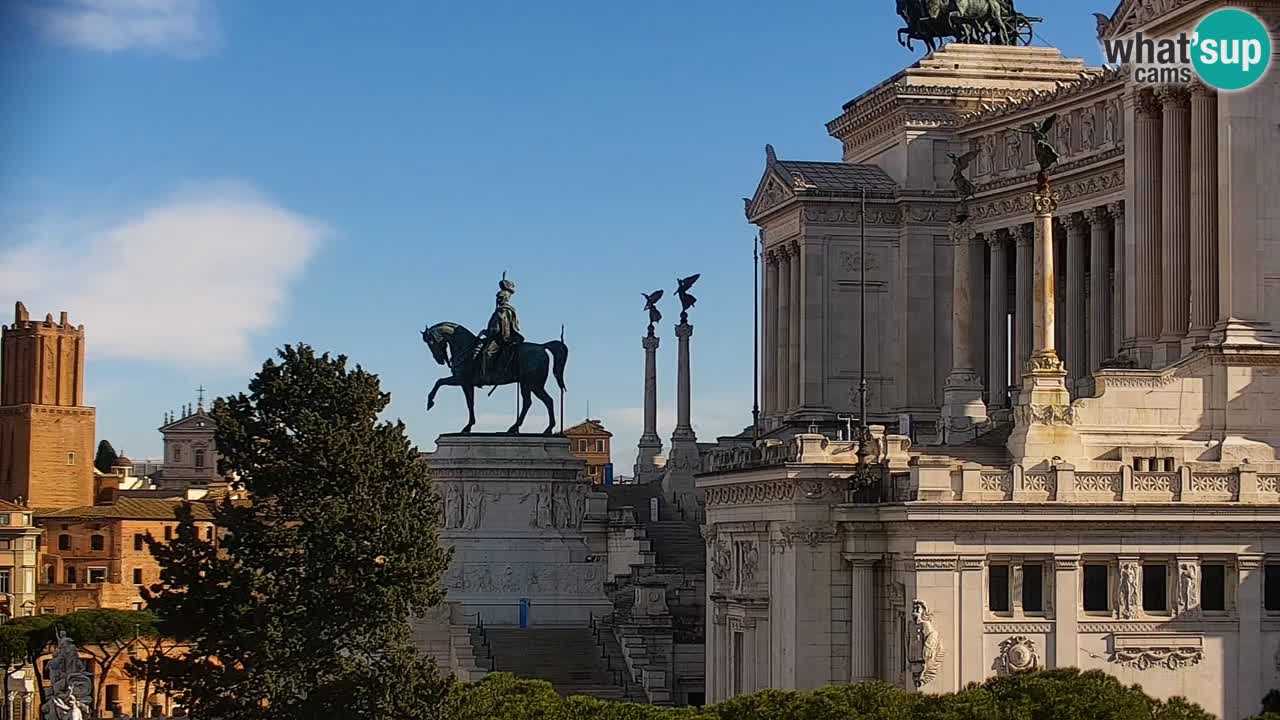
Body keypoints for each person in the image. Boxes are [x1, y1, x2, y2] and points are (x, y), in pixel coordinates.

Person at [474, 273, 524, 381]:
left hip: (501, 338)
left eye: (500, 297)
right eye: (498, 297)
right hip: (503, 336)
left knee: (487, 352)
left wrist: (486, 332)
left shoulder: (502, 310)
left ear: (505, 298)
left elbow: (498, 329)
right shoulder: (506, 309)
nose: (498, 299)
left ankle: (487, 375)